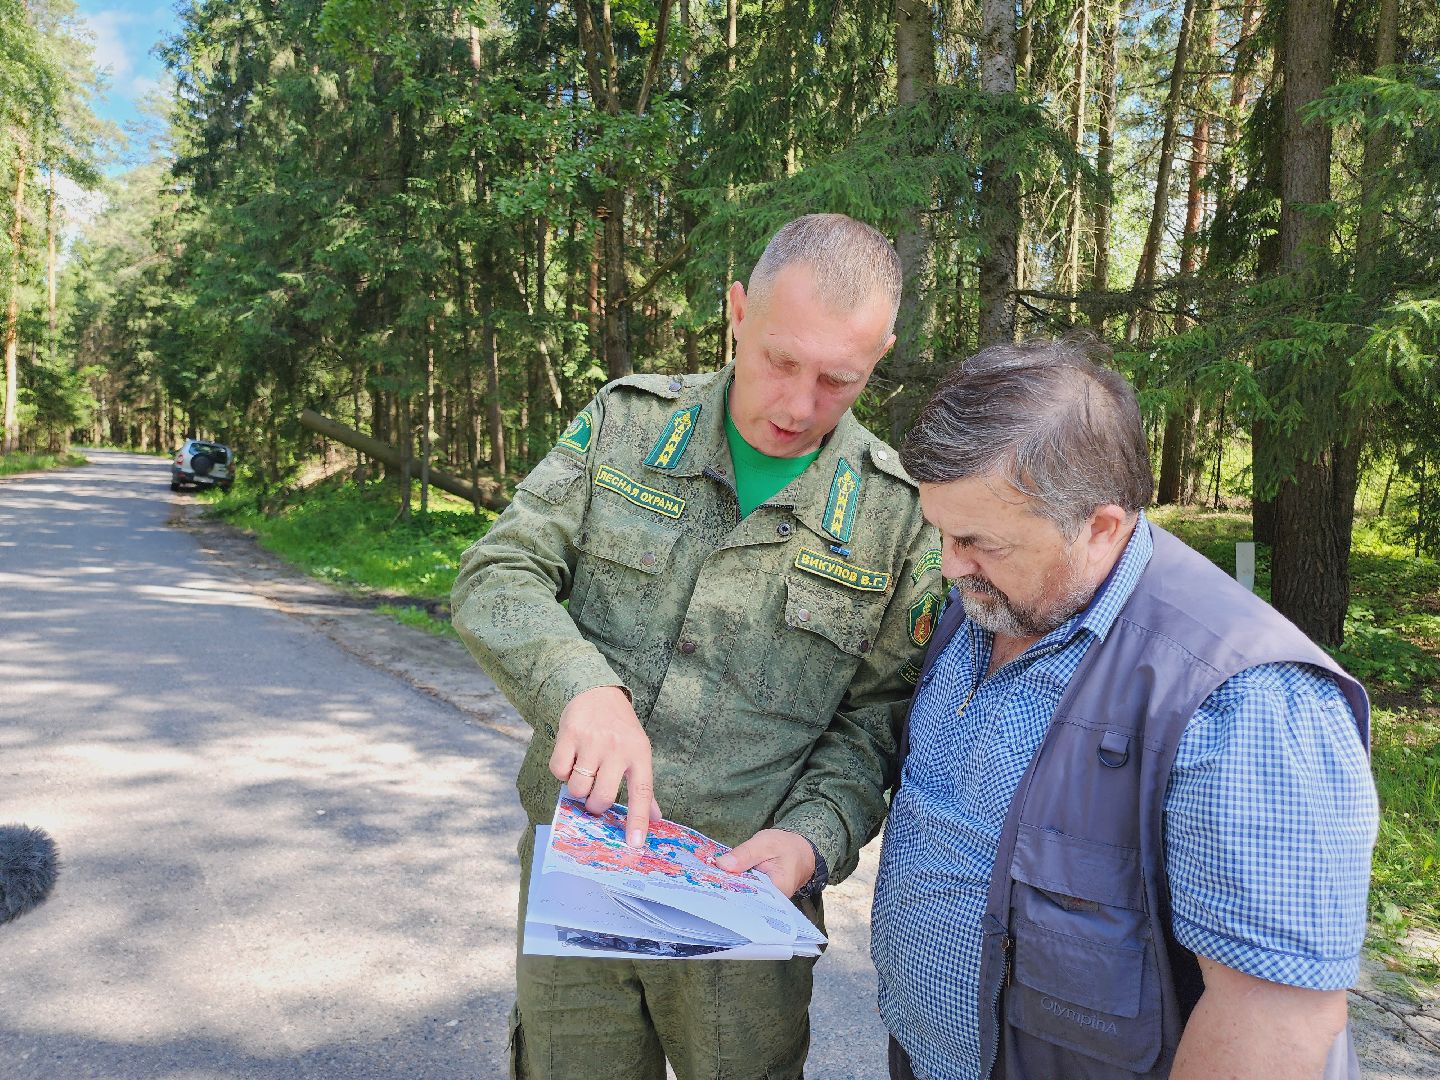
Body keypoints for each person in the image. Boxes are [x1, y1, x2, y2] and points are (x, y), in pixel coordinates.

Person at [452, 213, 943, 1080]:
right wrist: (580, 688)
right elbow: (499, 573)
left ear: (883, 354)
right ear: (737, 311)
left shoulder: (897, 519)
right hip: (580, 875)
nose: (799, 406)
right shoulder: (628, 425)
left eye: (840, 380)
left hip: (744, 902)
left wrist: (810, 839)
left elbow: (875, 723)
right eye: (780, 361)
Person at [871, 337, 1378, 1080]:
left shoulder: (1247, 705)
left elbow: (1274, 1025)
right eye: (942, 533)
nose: (950, 565)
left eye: (978, 541)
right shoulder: (994, 603)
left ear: (1100, 527)